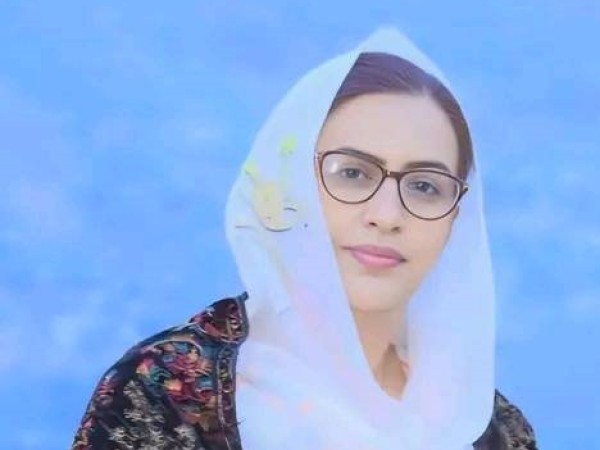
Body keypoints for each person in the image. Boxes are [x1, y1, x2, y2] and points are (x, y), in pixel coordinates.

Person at [71, 27, 537, 450]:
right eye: (352, 173)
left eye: (424, 186)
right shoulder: (170, 395)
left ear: (456, 217)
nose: (387, 216)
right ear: (289, 184)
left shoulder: (486, 425)